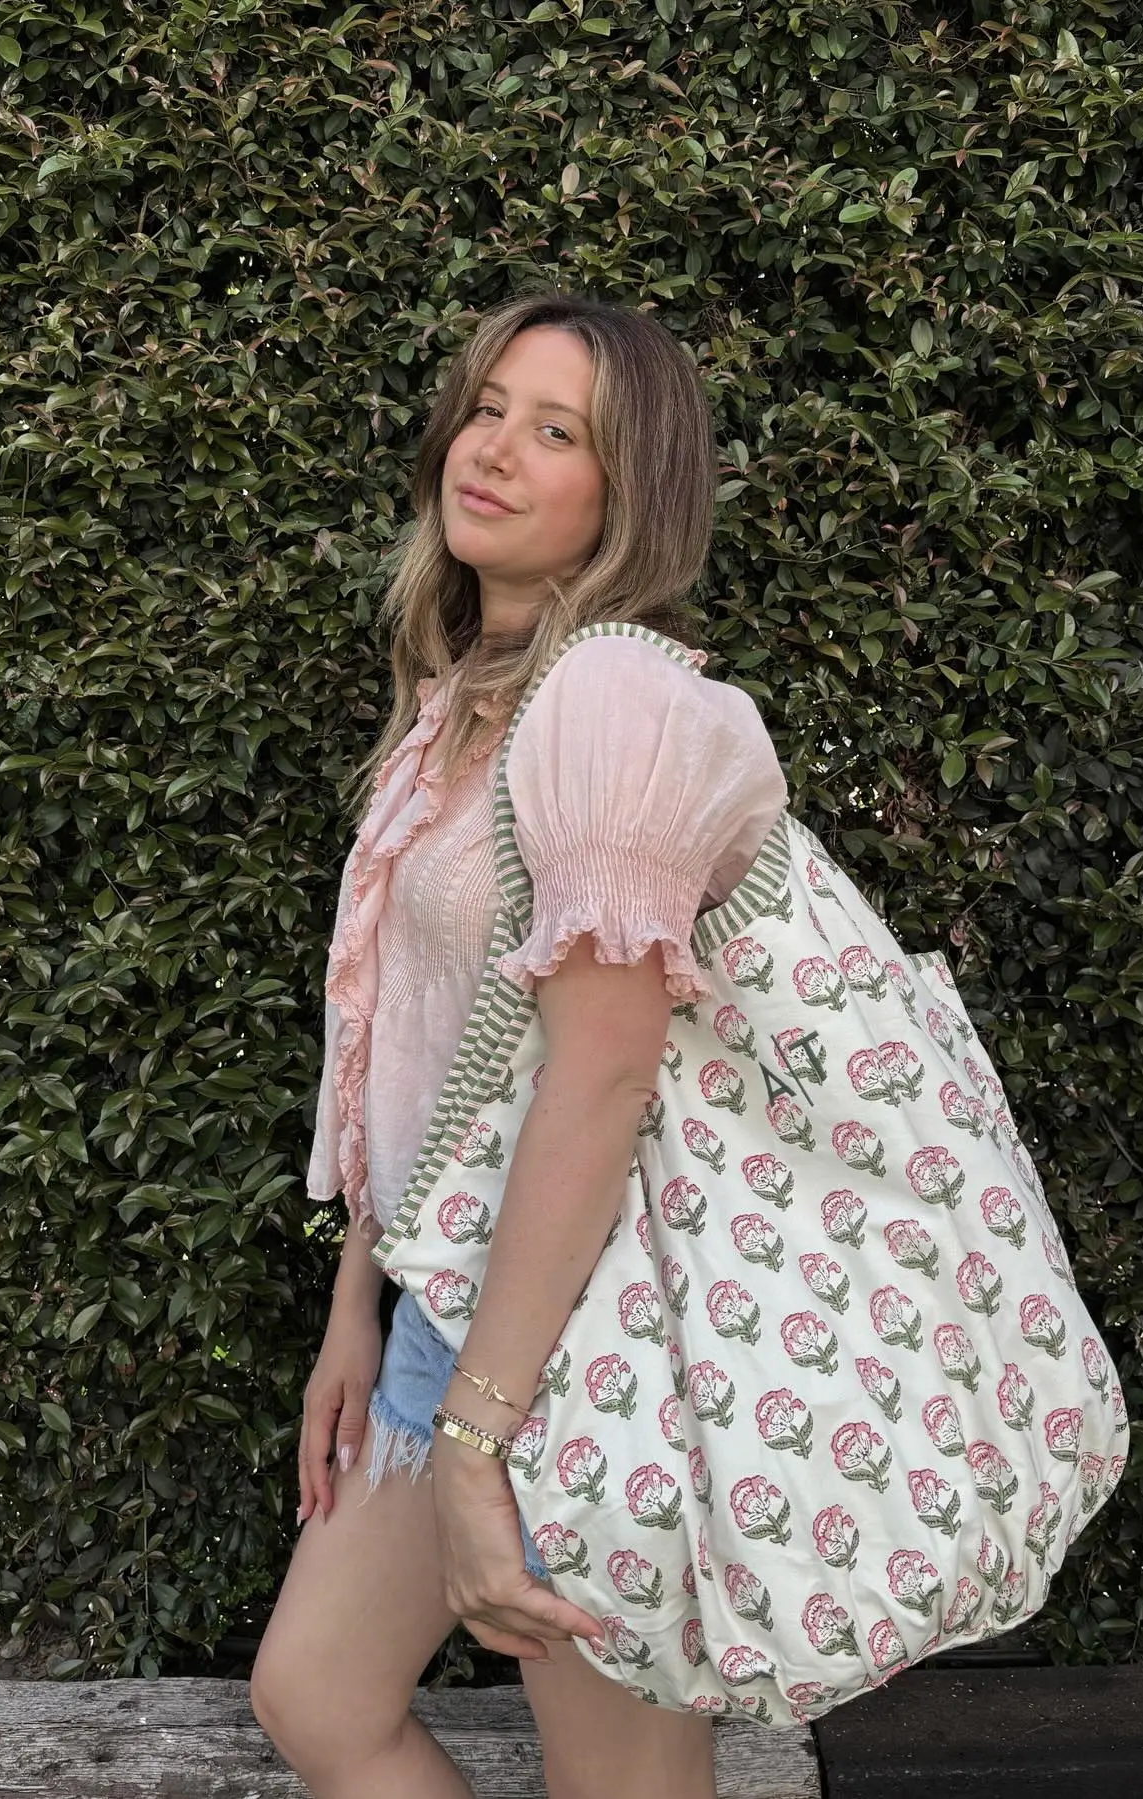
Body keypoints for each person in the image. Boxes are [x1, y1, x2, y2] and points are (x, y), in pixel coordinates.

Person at [249, 289, 788, 1798]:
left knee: (626, 1786)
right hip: (447, 1300)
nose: (492, 447)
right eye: (488, 406)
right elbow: (428, 1045)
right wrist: (358, 1301)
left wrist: (481, 1438)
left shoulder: (612, 703)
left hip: (584, 1333)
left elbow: (606, 1074)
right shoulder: (461, 703)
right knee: (315, 1696)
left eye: (558, 431)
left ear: (631, 493)